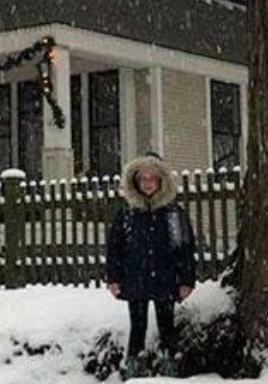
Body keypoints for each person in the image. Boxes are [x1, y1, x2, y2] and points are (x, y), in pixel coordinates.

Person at [105, 152, 196, 378]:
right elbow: (114, 249)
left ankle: (170, 364)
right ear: (135, 181)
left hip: (165, 279)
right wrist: (114, 278)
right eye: (143, 179)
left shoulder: (173, 214)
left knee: (167, 326)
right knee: (138, 326)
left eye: (152, 179)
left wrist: (186, 280)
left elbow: (184, 248)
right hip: (135, 279)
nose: (147, 184)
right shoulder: (126, 215)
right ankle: (134, 365)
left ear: (161, 181)